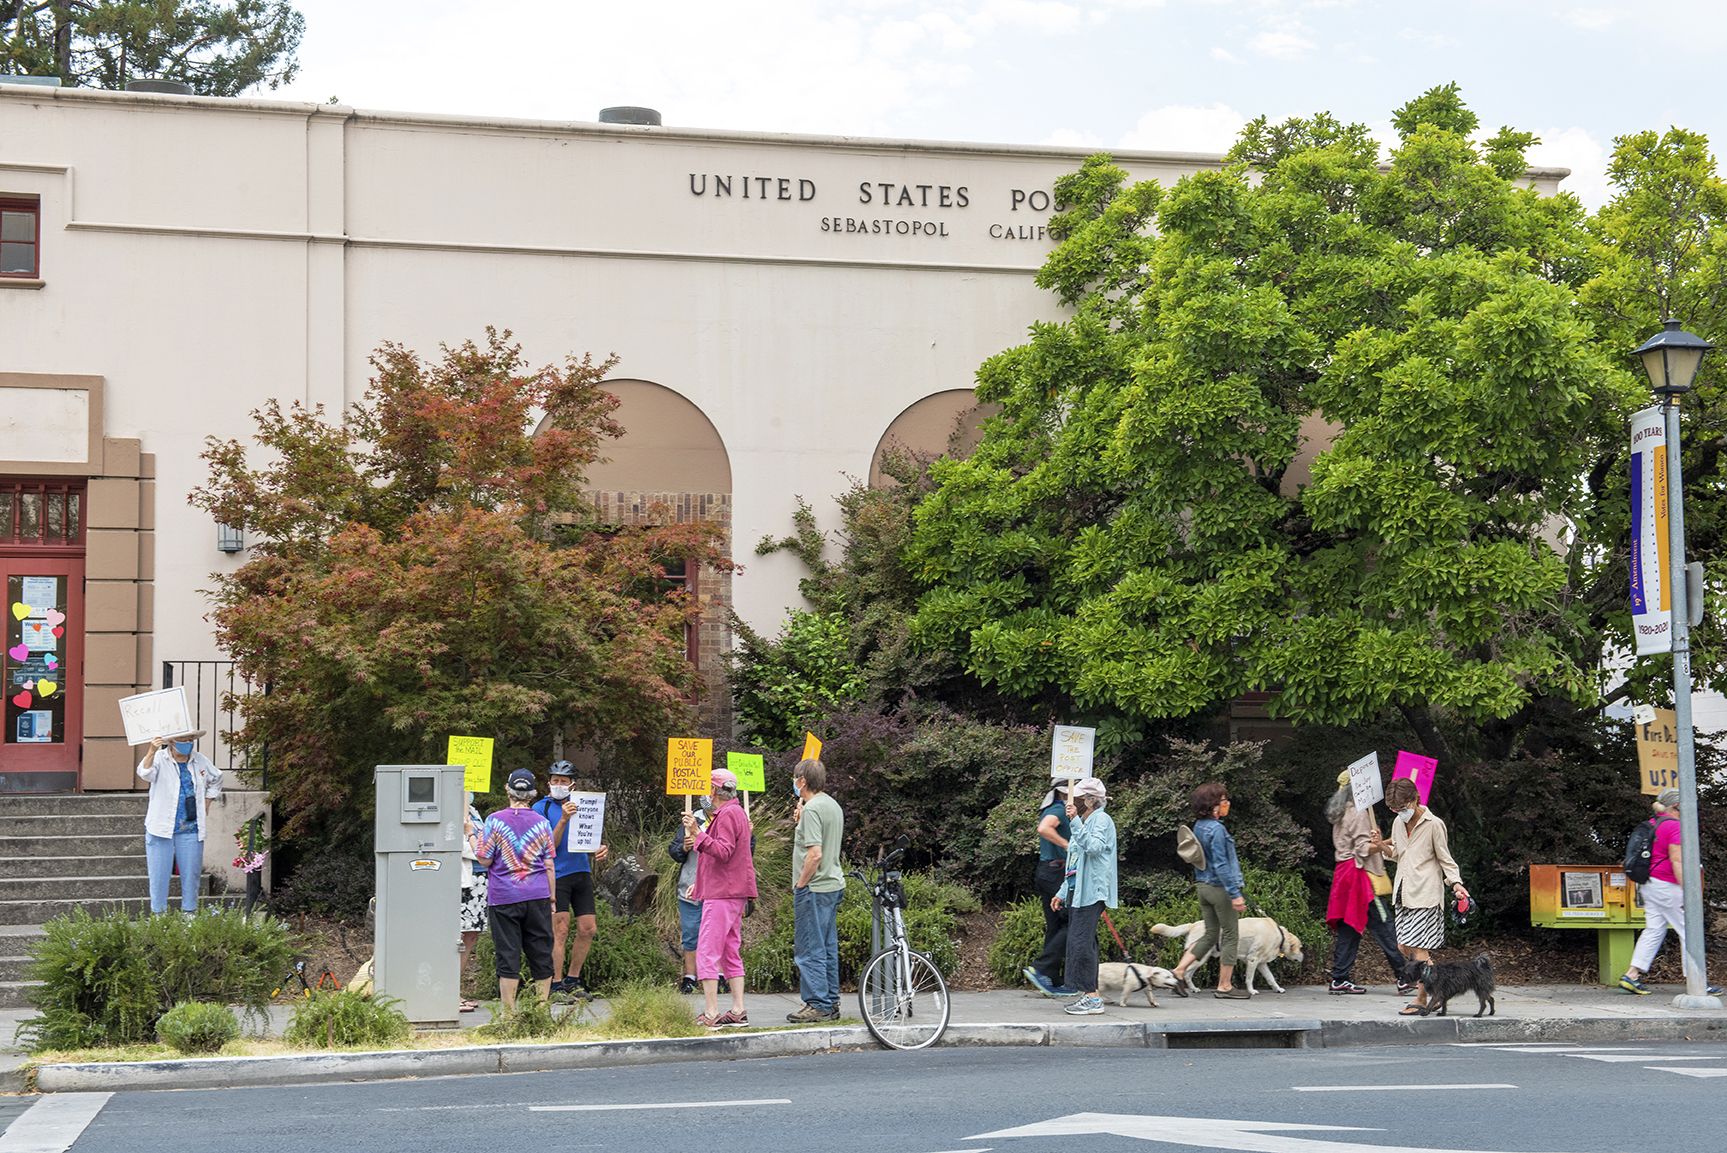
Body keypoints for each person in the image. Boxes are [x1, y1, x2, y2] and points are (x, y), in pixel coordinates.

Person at [1370, 776, 1469, 1015]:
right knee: (1404, 947)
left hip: (1426, 894)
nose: (1399, 812)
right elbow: (1399, 854)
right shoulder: (1397, 823)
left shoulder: (1434, 824)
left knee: (1419, 951)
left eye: (1402, 808)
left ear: (1415, 799)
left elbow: (1445, 858)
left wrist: (1456, 884)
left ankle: (1422, 998)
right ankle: (1442, 988)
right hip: (1403, 893)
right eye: (1394, 809)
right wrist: (1381, 846)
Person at [1620, 788, 1724, 996]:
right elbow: (1677, 860)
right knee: (1689, 930)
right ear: (1678, 807)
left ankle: (1631, 975)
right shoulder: (1676, 826)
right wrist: (1690, 891)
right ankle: (1697, 981)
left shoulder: (1655, 822)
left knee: (1654, 929)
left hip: (1649, 883)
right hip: (1668, 885)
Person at [472, 768, 557, 1010]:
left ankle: (508, 1014)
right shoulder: (542, 823)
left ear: (507, 790)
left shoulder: (494, 820)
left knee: (508, 955)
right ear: (533, 794)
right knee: (541, 952)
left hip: (503, 897)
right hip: (538, 895)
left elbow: (485, 860)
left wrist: (472, 836)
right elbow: (549, 864)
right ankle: (541, 1010)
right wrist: (552, 899)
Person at [1323, 771, 1411, 995]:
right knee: (1384, 925)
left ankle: (1339, 978)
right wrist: (1385, 842)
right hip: (1361, 877)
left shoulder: (1341, 812)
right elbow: (1363, 848)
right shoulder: (1359, 813)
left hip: (1344, 874)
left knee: (1349, 928)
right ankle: (1404, 976)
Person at [682, 768, 758, 1027]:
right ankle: (738, 1010)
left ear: (714, 790)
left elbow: (723, 852)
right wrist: (700, 884)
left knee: (707, 950)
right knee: (729, 950)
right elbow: (730, 857)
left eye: (708, 788)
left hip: (723, 893)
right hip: (730, 891)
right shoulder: (736, 812)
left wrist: (697, 833)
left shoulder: (725, 815)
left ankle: (712, 1012)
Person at [530, 759, 610, 997]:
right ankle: (555, 984)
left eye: (564, 781)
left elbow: (588, 837)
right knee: (560, 929)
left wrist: (599, 848)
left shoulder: (583, 804)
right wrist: (563, 819)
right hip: (556, 873)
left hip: (580, 871)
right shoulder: (540, 808)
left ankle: (573, 980)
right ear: (548, 783)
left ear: (572, 785)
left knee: (588, 928)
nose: (559, 785)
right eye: (555, 781)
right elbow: (548, 847)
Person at [1170, 782, 1249, 999]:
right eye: (1223, 801)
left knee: (1211, 933)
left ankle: (1178, 971)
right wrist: (1235, 894)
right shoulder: (1217, 830)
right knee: (1231, 935)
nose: (1227, 804)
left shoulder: (1198, 826)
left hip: (1203, 886)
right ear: (1214, 805)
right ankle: (1225, 985)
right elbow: (1222, 865)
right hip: (1219, 888)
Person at [1049, 777, 1118, 1015]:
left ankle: (1092, 997)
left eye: (1078, 798)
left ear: (1089, 801)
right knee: (1083, 943)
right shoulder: (1088, 820)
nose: (1073, 802)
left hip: (1092, 891)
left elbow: (1095, 848)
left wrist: (1074, 821)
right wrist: (1061, 891)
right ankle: (1090, 995)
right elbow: (1075, 862)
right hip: (1080, 892)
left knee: (1080, 943)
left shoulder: (1100, 820)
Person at [137, 730, 222, 914]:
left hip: (191, 827)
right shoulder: (160, 758)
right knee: (159, 874)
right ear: (172, 742)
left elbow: (216, 778)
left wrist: (207, 802)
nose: (187, 743)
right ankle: (159, 913)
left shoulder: (200, 760)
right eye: (183, 740)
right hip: (161, 827)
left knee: (191, 874)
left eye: (190, 740)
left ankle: (189, 912)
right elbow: (145, 773)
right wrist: (151, 751)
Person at [787, 757, 846, 1024]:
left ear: (802, 781)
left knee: (809, 948)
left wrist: (801, 883)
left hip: (814, 886)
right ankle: (830, 1000)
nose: (794, 783)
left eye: (796, 779)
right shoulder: (831, 805)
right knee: (827, 946)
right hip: (833, 884)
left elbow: (814, 854)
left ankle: (817, 1003)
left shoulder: (812, 810)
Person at [1024, 781, 1075, 997]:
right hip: (1055, 871)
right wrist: (1067, 845)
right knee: (1073, 921)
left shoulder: (1054, 807)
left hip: (1047, 871)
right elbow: (1044, 828)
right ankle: (1042, 967)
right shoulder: (1059, 808)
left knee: (1055, 925)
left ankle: (1051, 979)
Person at [669, 796, 712, 995]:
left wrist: (750, 834)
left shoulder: (732, 818)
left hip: (719, 890)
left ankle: (717, 976)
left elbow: (745, 851)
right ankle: (690, 976)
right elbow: (675, 851)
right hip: (689, 887)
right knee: (691, 932)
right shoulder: (691, 818)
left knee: (717, 934)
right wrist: (684, 847)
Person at [457, 791, 487, 1012]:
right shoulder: (453, 811)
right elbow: (462, 846)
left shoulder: (473, 812)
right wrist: (484, 852)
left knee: (471, 935)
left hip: (480, 880)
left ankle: (455, 991)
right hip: (465, 882)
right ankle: (449, 992)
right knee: (457, 936)